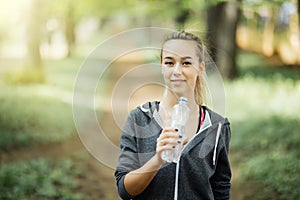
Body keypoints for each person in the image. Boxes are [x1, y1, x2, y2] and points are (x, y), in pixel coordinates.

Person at [115, 31, 231, 200]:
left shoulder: (218, 126)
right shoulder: (139, 118)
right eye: (169, 63)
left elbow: (221, 188)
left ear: (200, 67)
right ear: (161, 67)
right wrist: (157, 160)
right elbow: (124, 190)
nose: (177, 70)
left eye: (186, 63)